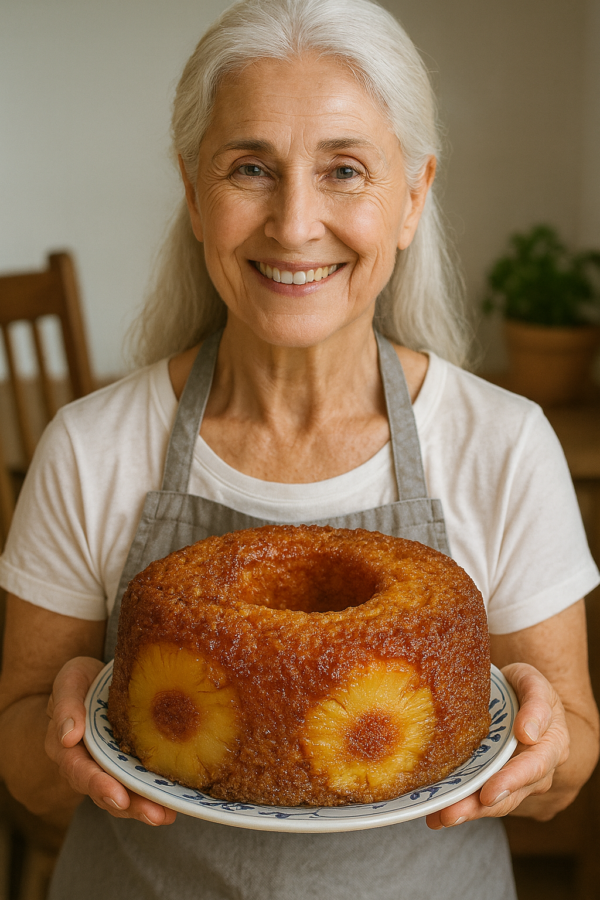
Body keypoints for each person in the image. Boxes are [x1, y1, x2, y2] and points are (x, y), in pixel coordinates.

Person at [0, 0, 598, 897]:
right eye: (251, 168)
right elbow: (22, 764)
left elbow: (569, 767)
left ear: (413, 195)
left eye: (345, 170)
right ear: (195, 194)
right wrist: (59, 736)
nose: (294, 223)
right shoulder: (90, 448)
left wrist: (548, 751)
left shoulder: (503, 445)